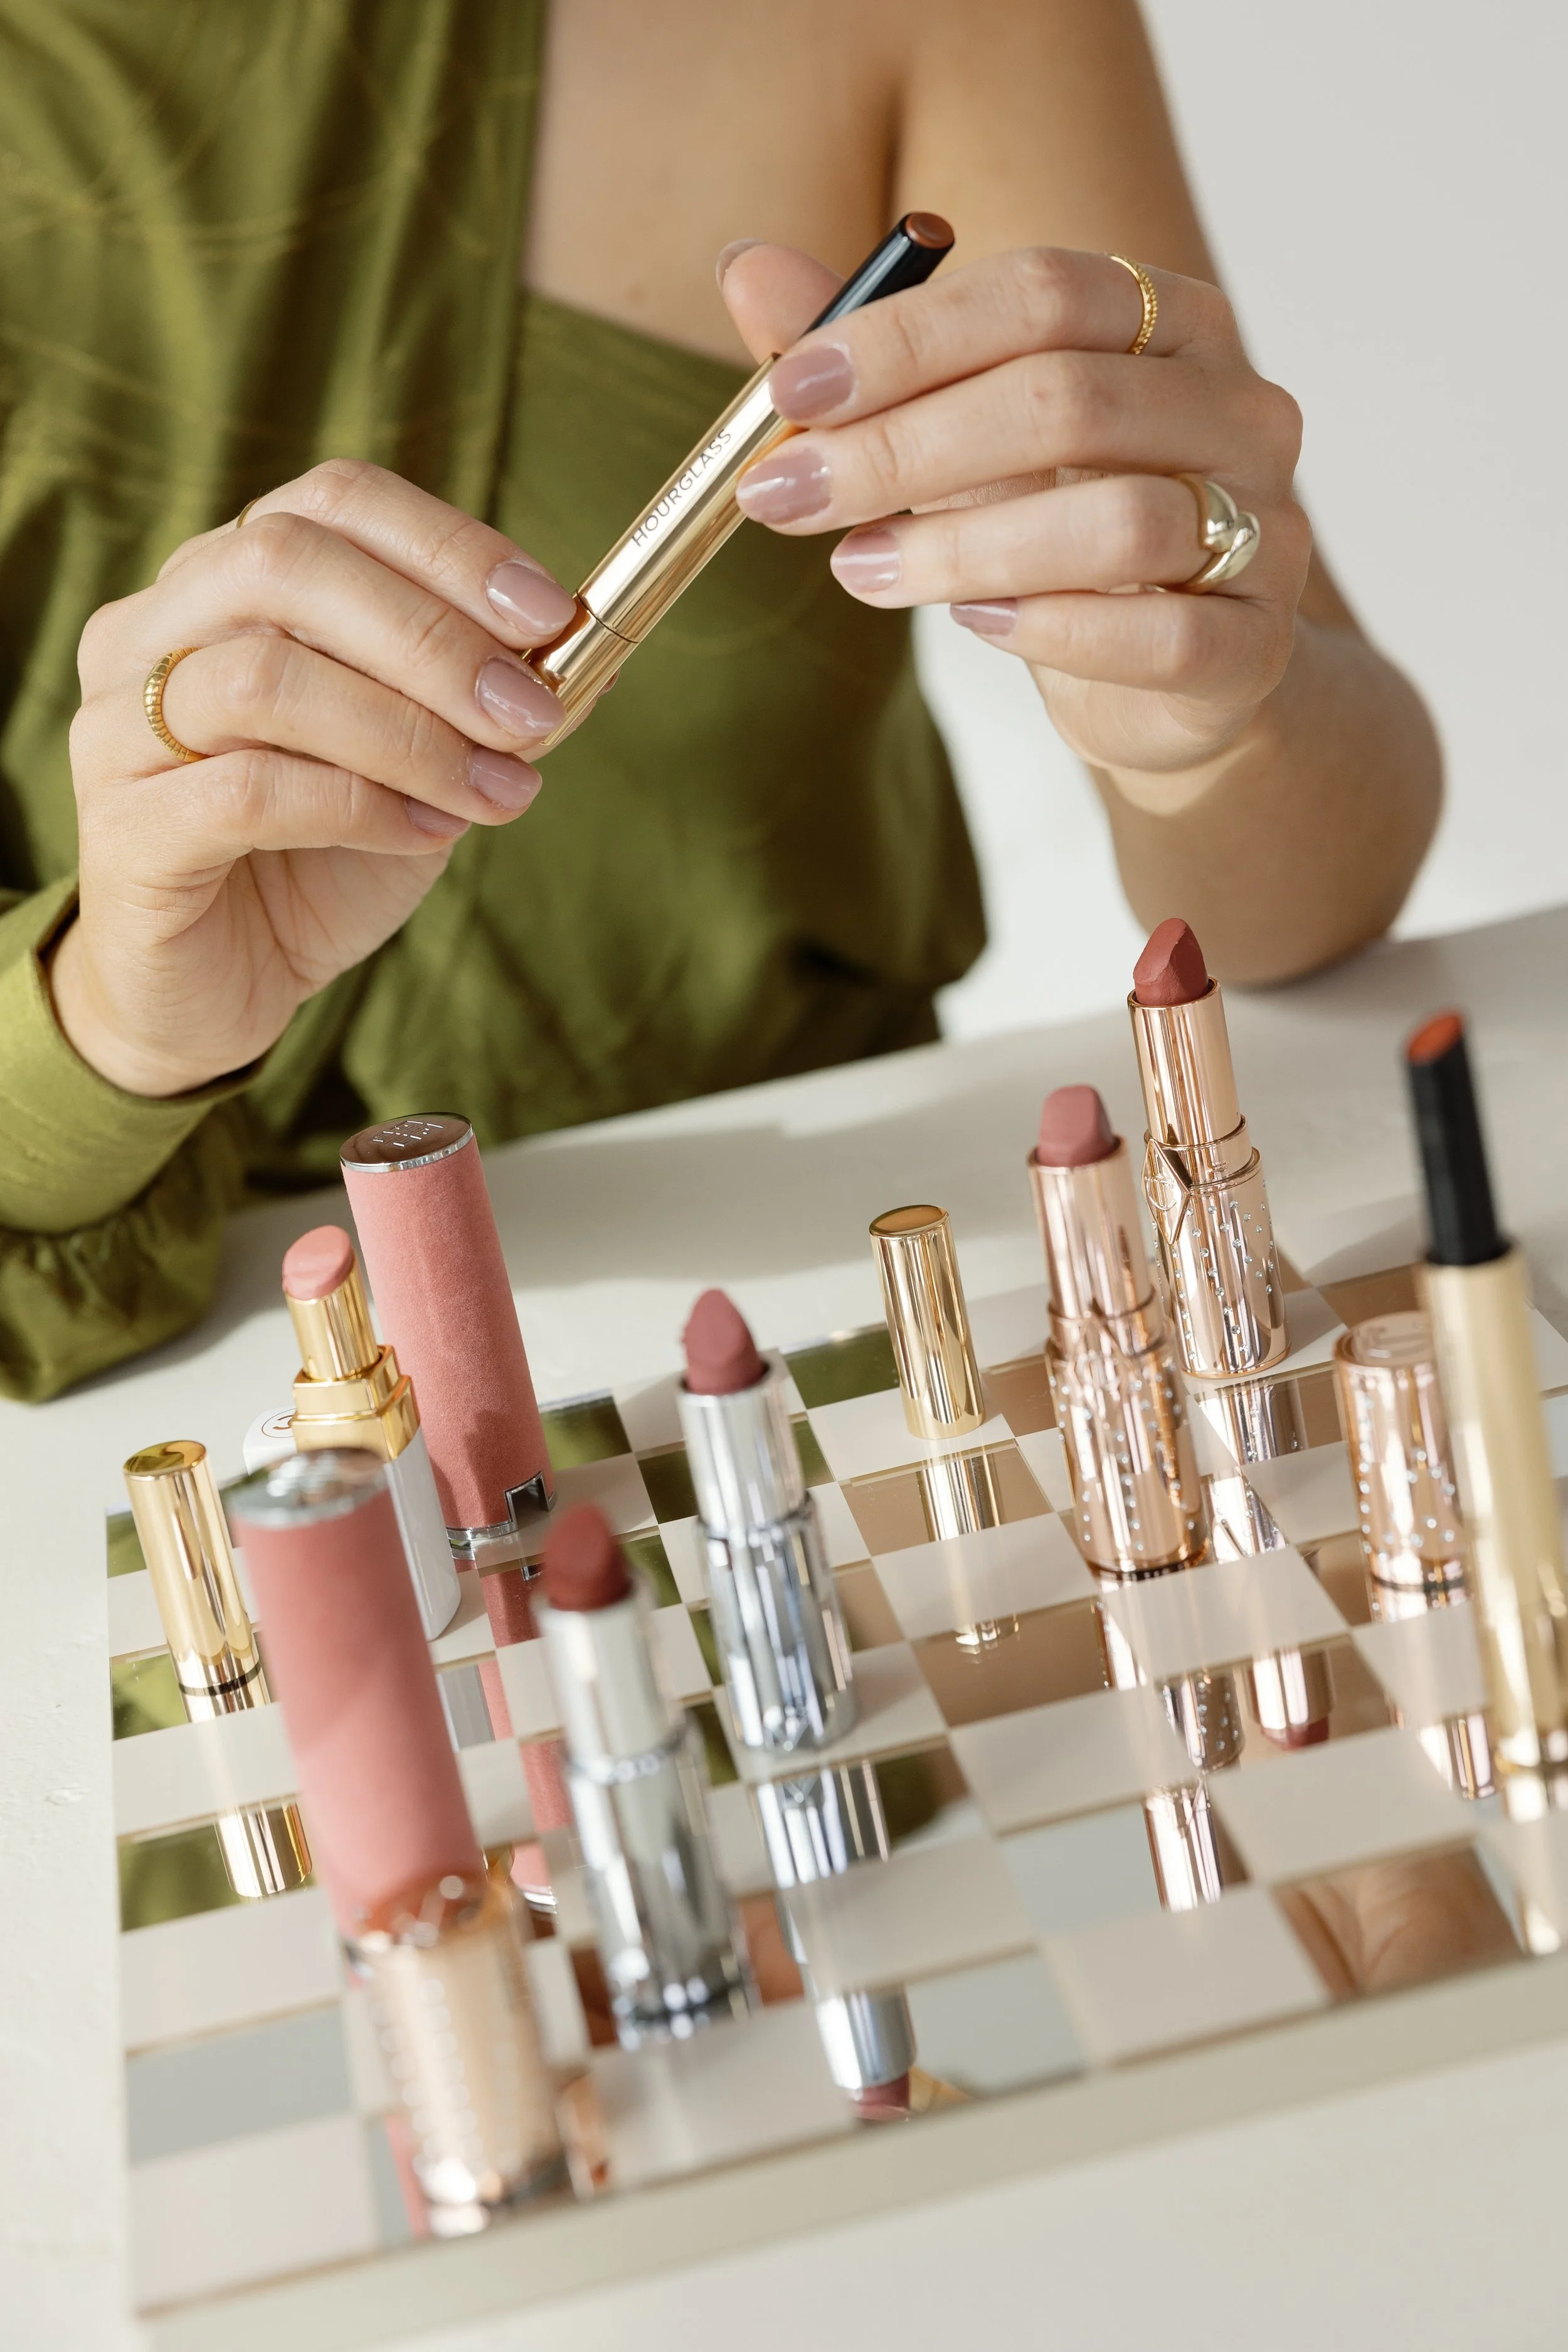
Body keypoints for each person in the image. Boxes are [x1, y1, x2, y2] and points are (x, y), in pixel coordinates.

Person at [0, 1, 1439, 1401]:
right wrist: (110, 1022)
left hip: (837, 1312)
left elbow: (1313, 890)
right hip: (199, 1402)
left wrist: (1208, 721)